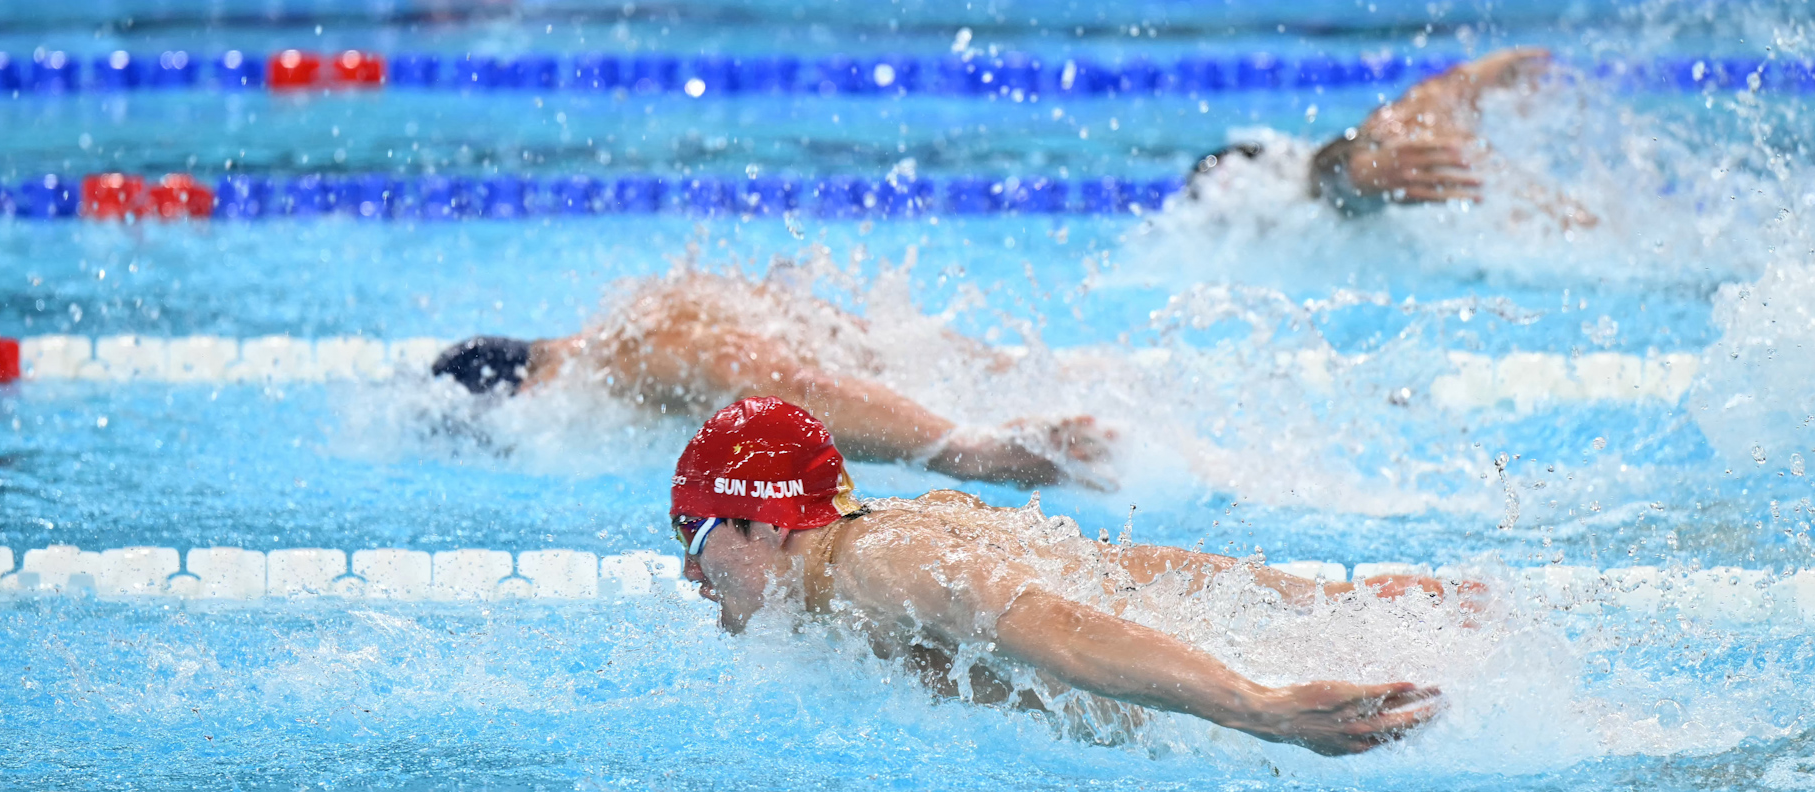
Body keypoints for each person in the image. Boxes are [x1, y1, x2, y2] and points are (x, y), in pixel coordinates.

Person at [670, 396, 1457, 756]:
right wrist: (1331, 599)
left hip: (1219, 732)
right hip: (1237, 683)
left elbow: (1059, 627)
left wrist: (1260, 707)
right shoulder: (889, 530)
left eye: (693, 533)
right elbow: (1121, 569)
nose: (689, 571)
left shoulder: (877, 566)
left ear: (765, 524)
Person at [430, 271, 1114, 489]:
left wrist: (965, 451)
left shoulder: (624, 358)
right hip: (966, 383)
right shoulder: (651, 310)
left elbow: (774, 381)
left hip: (946, 416)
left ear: (523, 394)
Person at [1190, 46, 1595, 226]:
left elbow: (1327, 172)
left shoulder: (1311, 180)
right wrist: (1475, 76)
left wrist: (1367, 171)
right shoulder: (1414, 111)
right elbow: (1443, 88)